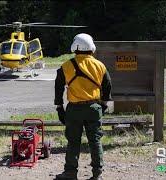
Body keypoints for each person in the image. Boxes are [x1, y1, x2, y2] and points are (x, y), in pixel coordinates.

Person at [54, 33, 112, 180]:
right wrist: (103, 105)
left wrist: (60, 108)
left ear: (75, 47)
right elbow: (108, 86)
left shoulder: (66, 66)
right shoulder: (100, 65)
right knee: (95, 141)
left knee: (73, 141)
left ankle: (70, 173)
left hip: (74, 110)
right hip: (94, 108)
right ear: (91, 47)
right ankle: (97, 174)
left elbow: (58, 87)